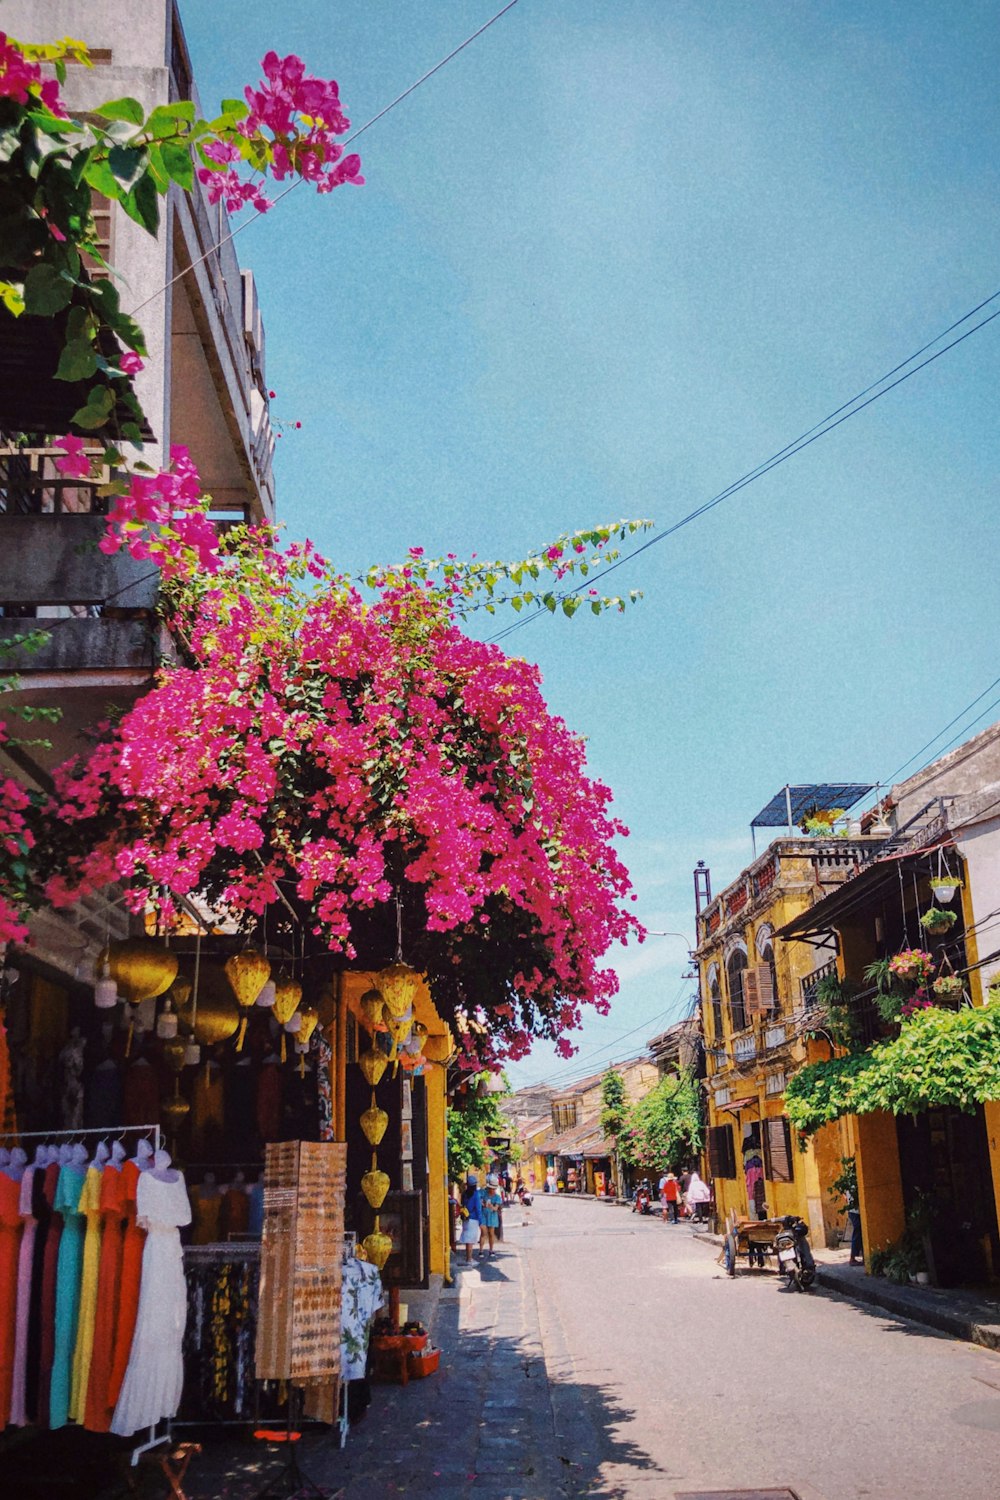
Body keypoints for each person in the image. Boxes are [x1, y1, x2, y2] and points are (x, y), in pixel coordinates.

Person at [458, 1173, 483, 1264]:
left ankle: (468, 1258)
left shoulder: (464, 1194)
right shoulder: (476, 1195)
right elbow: (478, 1209)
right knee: (471, 1241)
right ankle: (469, 1259)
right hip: (473, 1219)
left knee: (467, 1240)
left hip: (465, 1218)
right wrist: (480, 1222)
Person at [480, 1174, 503, 1260]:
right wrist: (482, 1203)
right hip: (484, 1215)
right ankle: (481, 1250)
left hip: (492, 1216)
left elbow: (496, 1208)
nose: (492, 1190)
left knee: (491, 1233)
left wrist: (491, 1206)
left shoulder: (497, 1197)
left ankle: (491, 1250)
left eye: (493, 1188)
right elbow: (479, 1198)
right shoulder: (484, 1193)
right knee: (483, 1233)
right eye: (491, 1188)